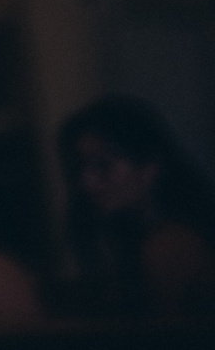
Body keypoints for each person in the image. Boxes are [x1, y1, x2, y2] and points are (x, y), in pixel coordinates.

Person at [60, 93, 215, 319]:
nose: (87, 183)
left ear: (150, 168)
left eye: (104, 166)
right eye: (80, 168)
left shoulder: (170, 244)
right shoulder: (137, 237)